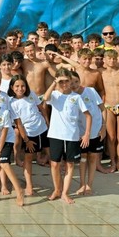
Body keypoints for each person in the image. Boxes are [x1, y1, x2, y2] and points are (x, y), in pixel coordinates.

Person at [43, 68, 91, 204]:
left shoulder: (76, 97)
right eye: (61, 81)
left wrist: (86, 134)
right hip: (56, 135)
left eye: (66, 81)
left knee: (70, 165)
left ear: (71, 81)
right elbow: (45, 98)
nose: (64, 84)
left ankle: (65, 192)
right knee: (54, 165)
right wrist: (54, 83)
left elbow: (88, 116)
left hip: (72, 136)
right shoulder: (55, 95)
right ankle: (57, 189)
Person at [8, 75, 48, 196]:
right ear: (12, 87)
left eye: (23, 86)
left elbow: (41, 108)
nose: (20, 88)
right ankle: (29, 186)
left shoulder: (32, 95)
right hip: (29, 134)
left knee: (53, 158)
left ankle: (59, 185)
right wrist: (26, 140)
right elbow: (19, 124)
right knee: (28, 159)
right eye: (17, 86)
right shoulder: (11, 103)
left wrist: (47, 121)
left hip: (43, 129)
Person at [71, 71, 106, 195]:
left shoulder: (90, 91)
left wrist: (104, 126)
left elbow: (102, 109)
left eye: (76, 81)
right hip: (81, 132)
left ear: (80, 81)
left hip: (96, 131)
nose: (74, 84)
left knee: (93, 157)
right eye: (71, 82)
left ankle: (89, 184)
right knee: (83, 158)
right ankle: (81, 183)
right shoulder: (70, 96)